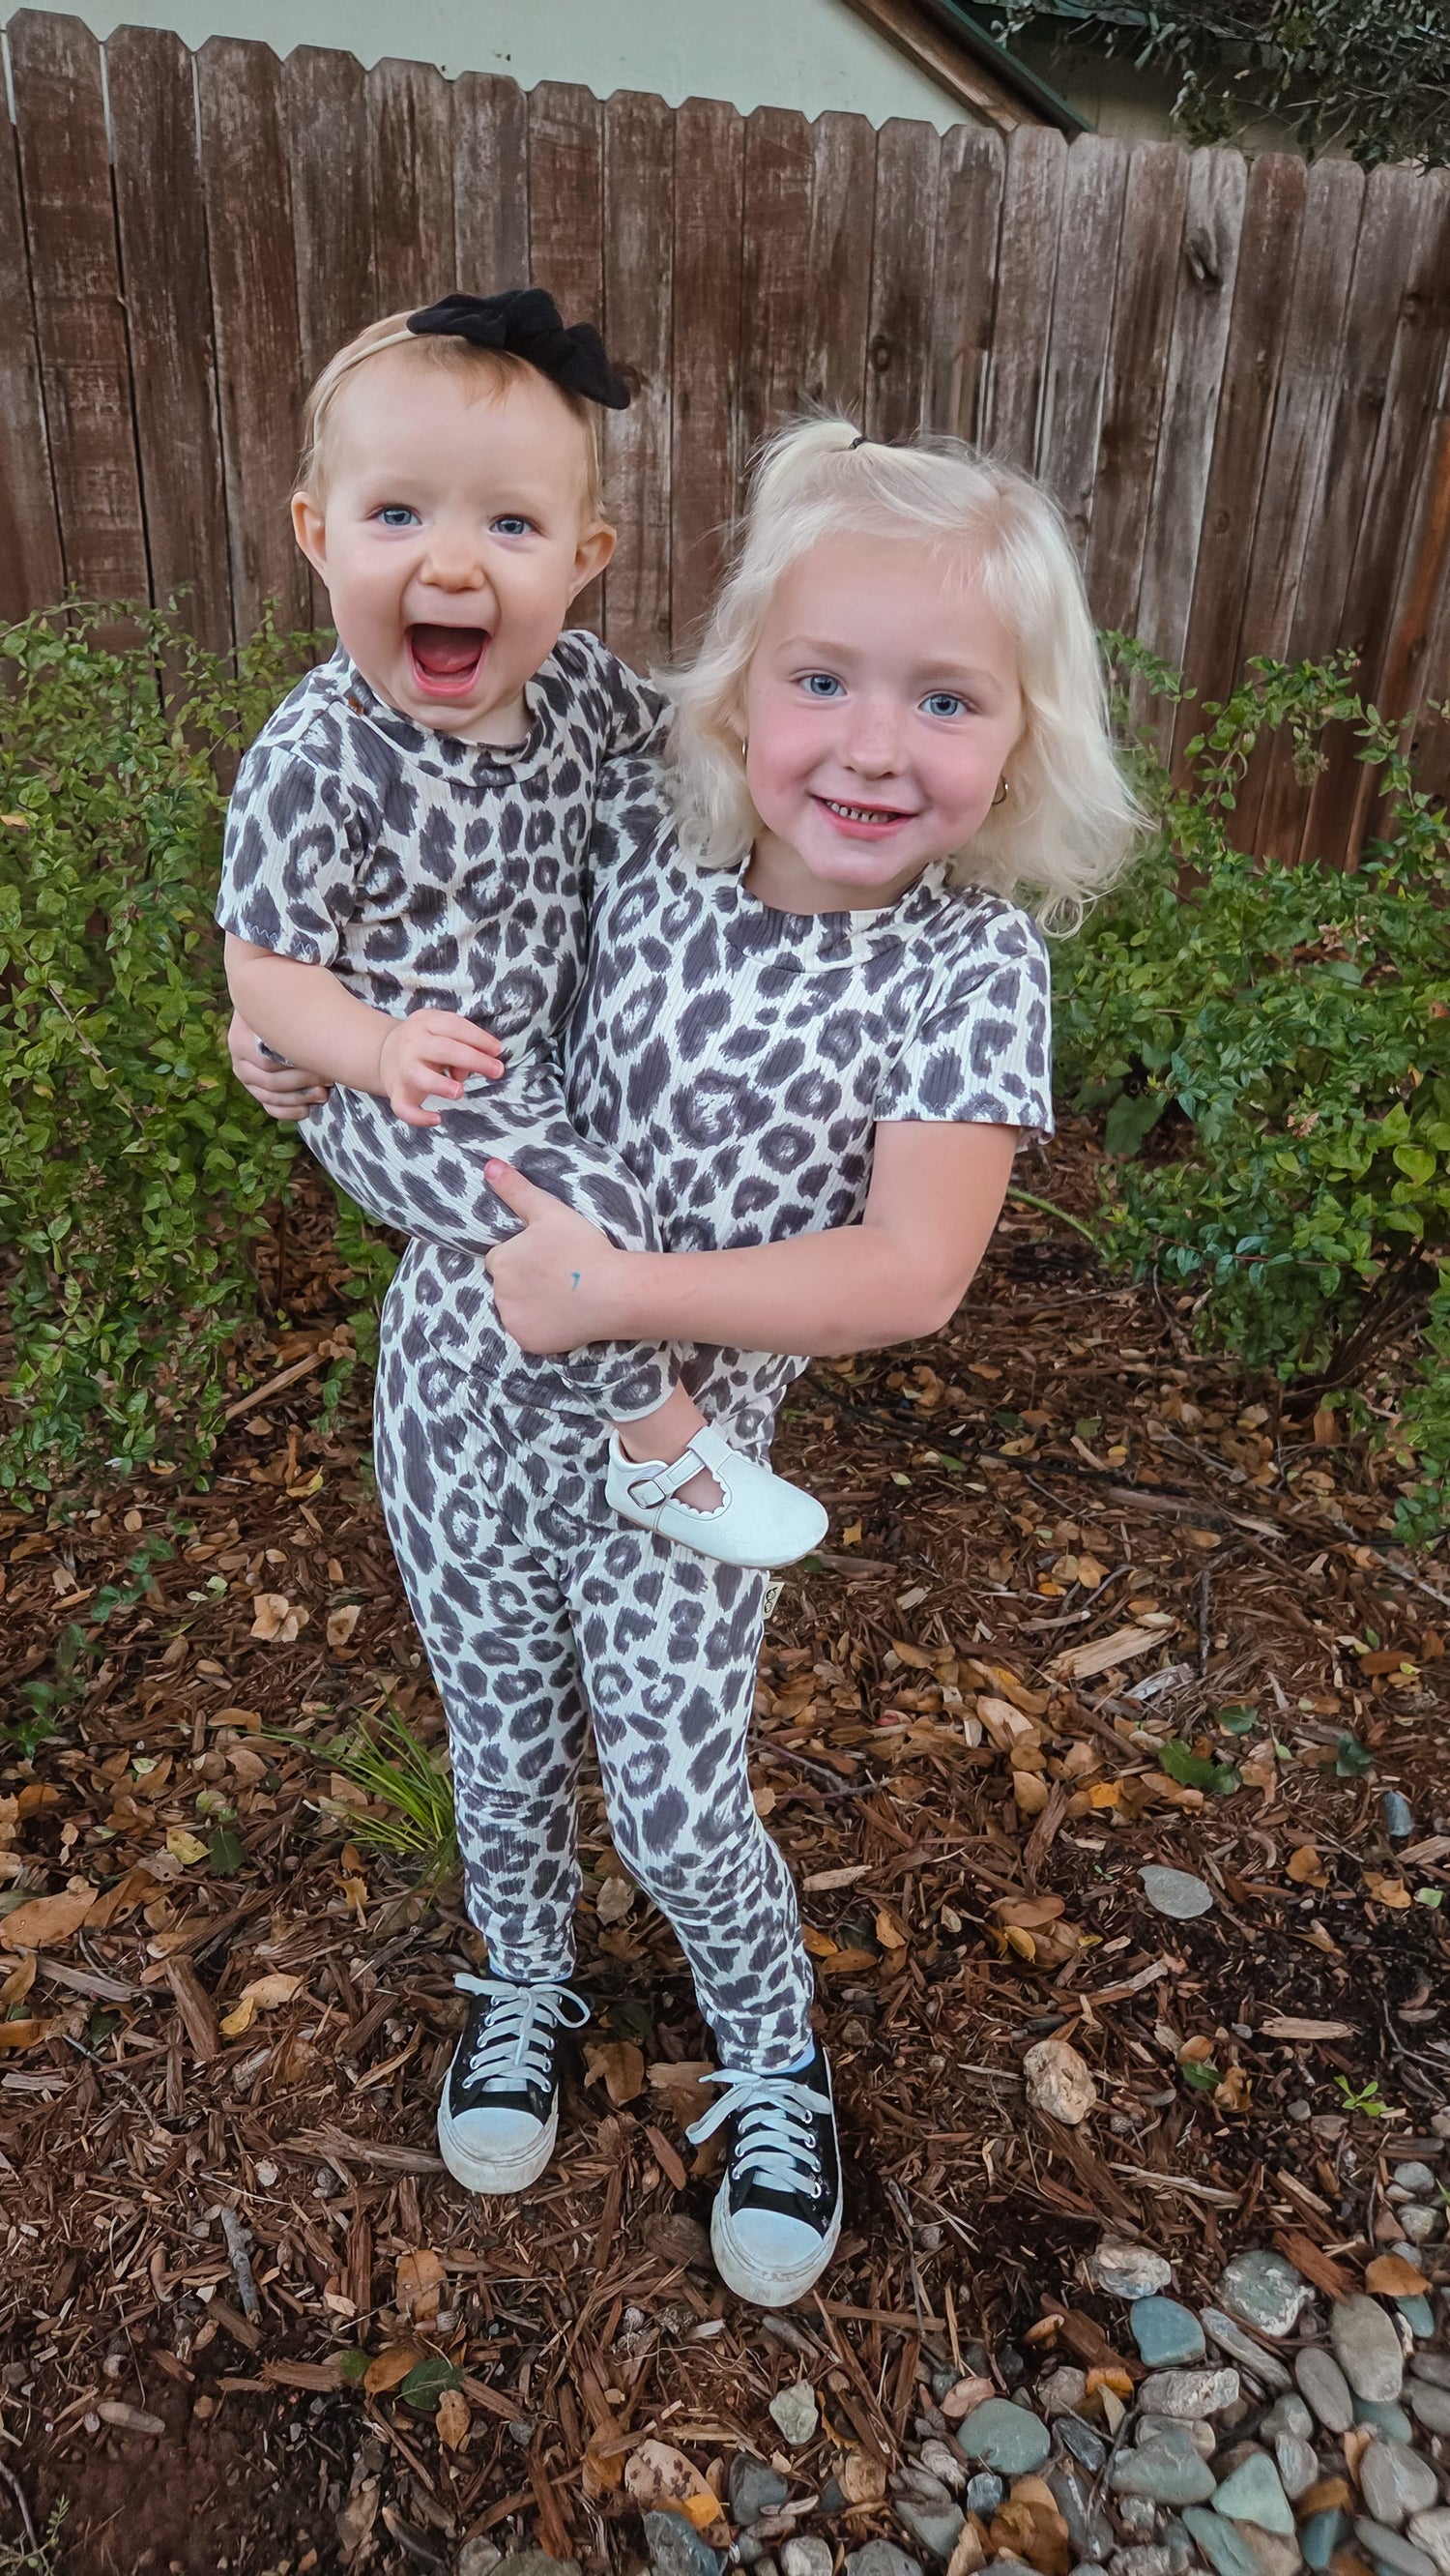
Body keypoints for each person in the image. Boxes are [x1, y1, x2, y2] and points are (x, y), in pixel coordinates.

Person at [232, 419, 1142, 2307]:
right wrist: (295, 1030)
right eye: (821, 681)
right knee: (497, 1733)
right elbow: (432, 820)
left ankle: (773, 2059)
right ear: (737, 689)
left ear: (1027, 737)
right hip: (461, 1390)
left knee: (670, 1795)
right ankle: (521, 1981)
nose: (871, 746)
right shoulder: (654, 811)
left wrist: (619, 1289)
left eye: (947, 700)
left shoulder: (969, 967)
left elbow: (910, 1274)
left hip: (689, 1467)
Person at [218, 287, 826, 1572]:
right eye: (397, 515)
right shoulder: (319, 758)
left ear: (583, 559)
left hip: (529, 1063)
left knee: (616, 1183)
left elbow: (695, 749)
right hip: (401, 1089)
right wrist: (362, 1046)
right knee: (580, 1201)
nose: (452, 565)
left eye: (510, 523)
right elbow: (263, 964)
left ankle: (591, 1443)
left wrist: (824, 724)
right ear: (317, 536)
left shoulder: (578, 691)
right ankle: (665, 1454)